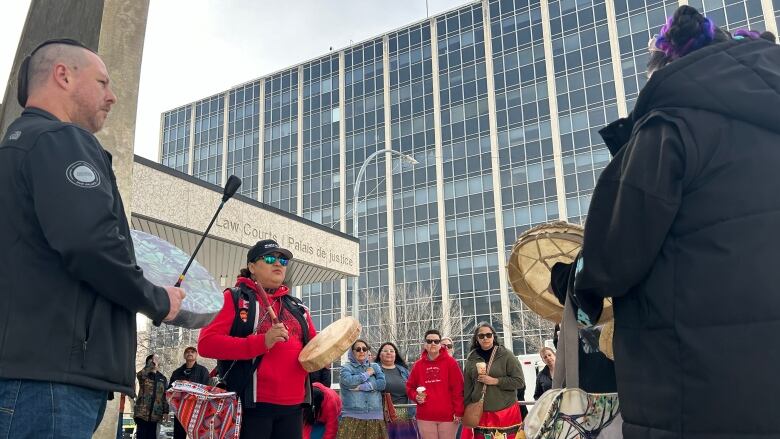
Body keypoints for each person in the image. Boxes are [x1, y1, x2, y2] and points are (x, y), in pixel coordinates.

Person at [557, 5, 780, 438]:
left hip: (696, 397)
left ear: (669, 64)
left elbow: (612, 255)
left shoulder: (672, 126)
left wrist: (573, 281)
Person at [0, 39, 184, 437]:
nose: (112, 96)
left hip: (26, 373)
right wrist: (156, 300)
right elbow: (91, 244)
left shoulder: (15, 148)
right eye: (102, 82)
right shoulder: (60, 141)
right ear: (63, 75)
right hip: (53, 382)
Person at [198, 239, 316, 439]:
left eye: (283, 261)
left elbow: (314, 348)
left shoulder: (298, 307)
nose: (278, 264)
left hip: (294, 406)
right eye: (270, 258)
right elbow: (206, 344)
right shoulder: (233, 298)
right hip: (250, 406)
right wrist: (261, 342)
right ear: (252, 267)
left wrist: (330, 348)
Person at [463, 323, 524, 439]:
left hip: (505, 411)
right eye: (481, 336)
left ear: (493, 337)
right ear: (476, 339)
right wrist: (466, 409)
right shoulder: (472, 358)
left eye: (488, 335)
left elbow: (519, 381)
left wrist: (495, 381)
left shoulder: (506, 355)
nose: (485, 338)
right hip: (480, 413)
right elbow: (467, 387)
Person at [405, 329, 464, 439]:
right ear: (425, 344)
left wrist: (459, 411)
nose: (432, 343)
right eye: (429, 341)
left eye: (436, 341)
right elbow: (409, 387)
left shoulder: (451, 363)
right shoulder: (418, 365)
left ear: (440, 345)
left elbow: (458, 389)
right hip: (425, 415)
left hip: (448, 415)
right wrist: (415, 396)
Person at [338, 339, 387, 438]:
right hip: (352, 416)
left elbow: (382, 384)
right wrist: (367, 374)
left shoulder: (375, 366)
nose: (362, 351)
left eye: (364, 349)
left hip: (375, 416)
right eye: (358, 349)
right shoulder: (346, 368)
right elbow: (349, 382)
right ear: (352, 352)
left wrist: (365, 387)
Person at [168, 346, 210, 439]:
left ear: (196, 355)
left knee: (197, 435)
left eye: (192, 351)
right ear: (184, 355)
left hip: (197, 409)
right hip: (180, 409)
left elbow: (206, 389)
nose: (190, 353)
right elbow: (170, 390)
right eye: (187, 352)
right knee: (179, 435)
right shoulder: (177, 372)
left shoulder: (203, 371)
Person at [378, 342, 417, 439]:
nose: (389, 353)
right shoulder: (375, 369)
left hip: (405, 413)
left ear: (395, 354)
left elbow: (413, 388)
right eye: (385, 351)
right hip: (384, 415)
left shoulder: (403, 370)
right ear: (380, 354)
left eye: (392, 351)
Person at [134, 354, 170, 439]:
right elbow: (140, 375)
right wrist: (151, 364)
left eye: (156, 361)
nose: (154, 362)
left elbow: (166, 396)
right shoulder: (144, 375)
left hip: (156, 415)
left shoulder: (162, 378)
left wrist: (166, 411)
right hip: (142, 414)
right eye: (151, 361)